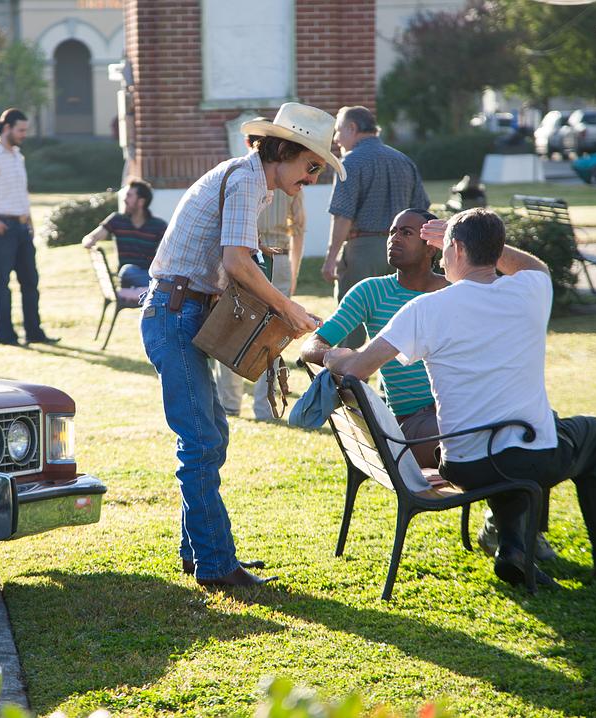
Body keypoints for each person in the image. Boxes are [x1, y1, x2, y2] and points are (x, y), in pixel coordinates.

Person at [322, 208, 596, 586]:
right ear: (494, 251)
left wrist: (334, 356)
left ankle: (514, 548)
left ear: (454, 249)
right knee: (590, 434)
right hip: (529, 458)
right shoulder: (532, 289)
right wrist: (480, 241)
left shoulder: (423, 309)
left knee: (509, 444)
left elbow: (359, 368)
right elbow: (533, 265)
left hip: (463, 463)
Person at [142, 102, 340, 587]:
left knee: (210, 435)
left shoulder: (249, 178)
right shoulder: (249, 180)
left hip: (181, 312)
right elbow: (236, 262)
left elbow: (235, 262)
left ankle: (198, 552)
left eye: (319, 168)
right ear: (283, 150)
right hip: (174, 314)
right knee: (203, 439)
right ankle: (216, 566)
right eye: (311, 165)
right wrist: (289, 310)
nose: (313, 178)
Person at [300, 208, 446, 467]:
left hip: (456, 413)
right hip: (413, 427)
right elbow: (312, 345)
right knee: (493, 442)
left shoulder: (454, 291)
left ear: (431, 248)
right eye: (392, 232)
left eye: (406, 233)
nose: (394, 238)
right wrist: (341, 359)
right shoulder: (370, 291)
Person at [322, 106, 429, 348]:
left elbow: (342, 215)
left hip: (362, 251)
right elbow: (422, 210)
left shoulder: (350, 162)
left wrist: (331, 259)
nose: (336, 139)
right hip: (405, 251)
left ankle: (348, 381)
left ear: (352, 128)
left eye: (338, 131)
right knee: (395, 323)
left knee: (351, 325)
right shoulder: (403, 160)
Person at [215, 170, 307, 420]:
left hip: (245, 256)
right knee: (272, 333)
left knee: (232, 326)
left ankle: (230, 402)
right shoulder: (293, 179)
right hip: (277, 258)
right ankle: (264, 406)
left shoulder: (242, 179)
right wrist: (294, 271)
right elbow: (298, 228)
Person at [0, 108, 57, 346]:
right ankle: (6, 337)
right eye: (21, 130)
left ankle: (34, 332)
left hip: (22, 228)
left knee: (30, 282)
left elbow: (21, 192)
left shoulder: (17, 155)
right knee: (2, 285)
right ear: (7, 129)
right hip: (1, 228)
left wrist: (30, 222)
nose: (24, 134)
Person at [81, 179, 166, 288]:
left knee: (162, 277)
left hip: (148, 274)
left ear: (141, 202)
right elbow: (91, 237)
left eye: (129, 196)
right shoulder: (117, 220)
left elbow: (171, 249)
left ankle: (153, 288)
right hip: (127, 276)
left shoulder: (159, 225)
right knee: (128, 270)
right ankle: (155, 287)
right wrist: (89, 242)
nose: (125, 199)